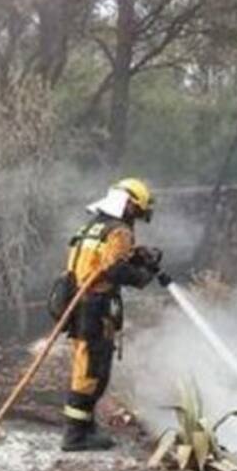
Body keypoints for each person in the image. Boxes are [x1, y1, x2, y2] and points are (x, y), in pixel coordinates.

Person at [61, 178, 165, 451]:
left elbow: (98, 262)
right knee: (93, 369)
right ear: (128, 204)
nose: (136, 219)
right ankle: (75, 436)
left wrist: (136, 256)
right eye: (137, 211)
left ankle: (84, 428)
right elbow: (113, 270)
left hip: (77, 300)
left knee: (86, 363)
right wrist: (144, 274)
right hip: (94, 304)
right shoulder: (118, 231)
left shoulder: (93, 225)